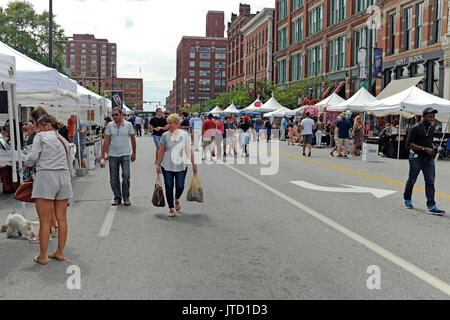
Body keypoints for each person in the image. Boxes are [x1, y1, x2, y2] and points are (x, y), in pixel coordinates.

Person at [24, 115, 72, 265]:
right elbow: (70, 162)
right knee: (62, 218)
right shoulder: (63, 140)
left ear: (46, 126)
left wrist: (27, 164)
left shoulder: (41, 136)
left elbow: (33, 157)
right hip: (64, 177)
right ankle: (60, 252)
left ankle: (43, 256)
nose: (37, 129)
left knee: (45, 220)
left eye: (39, 126)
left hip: (46, 176)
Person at [403, 108, 445, 215]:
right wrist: (424, 149)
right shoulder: (415, 128)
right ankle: (407, 199)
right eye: (430, 116)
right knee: (412, 180)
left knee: (430, 182)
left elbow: (429, 141)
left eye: (433, 117)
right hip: (416, 158)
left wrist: (434, 147)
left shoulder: (431, 128)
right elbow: (409, 144)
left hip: (429, 159)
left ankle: (431, 205)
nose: (432, 119)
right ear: (424, 116)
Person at [156, 114, 197, 218]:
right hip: (167, 165)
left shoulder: (185, 135)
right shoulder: (165, 135)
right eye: (168, 123)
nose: (168, 125)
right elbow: (161, 151)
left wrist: (194, 164)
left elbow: (189, 150)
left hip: (181, 165)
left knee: (180, 186)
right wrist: (158, 165)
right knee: (168, 187)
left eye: (170, 123)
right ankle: (171, 208)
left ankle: (177, 199)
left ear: (176, 124)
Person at [99, 107, 136, 206]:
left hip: (125, 154)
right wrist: (103, 154)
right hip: (113, 155)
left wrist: (134, 152)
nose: (114, 117)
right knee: (114, 178)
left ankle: (126, 197)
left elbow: (132, 139)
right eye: (113, 115)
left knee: (126, 175)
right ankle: (117, 197)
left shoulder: (128, 125)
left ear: (121, 114)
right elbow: (106, 140)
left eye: (116, 114)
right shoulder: (110, 126)